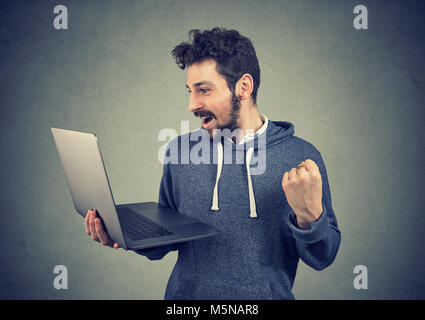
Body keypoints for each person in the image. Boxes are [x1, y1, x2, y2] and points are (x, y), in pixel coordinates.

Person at [85, 27, 341, 299]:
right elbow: (165, 239)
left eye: (204, 90)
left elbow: (322, 257)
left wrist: (309, 217)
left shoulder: (300, 158)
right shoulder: (180, 150)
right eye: (190, 92)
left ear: (244, 87)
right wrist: (122, 235)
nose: (193, 105)